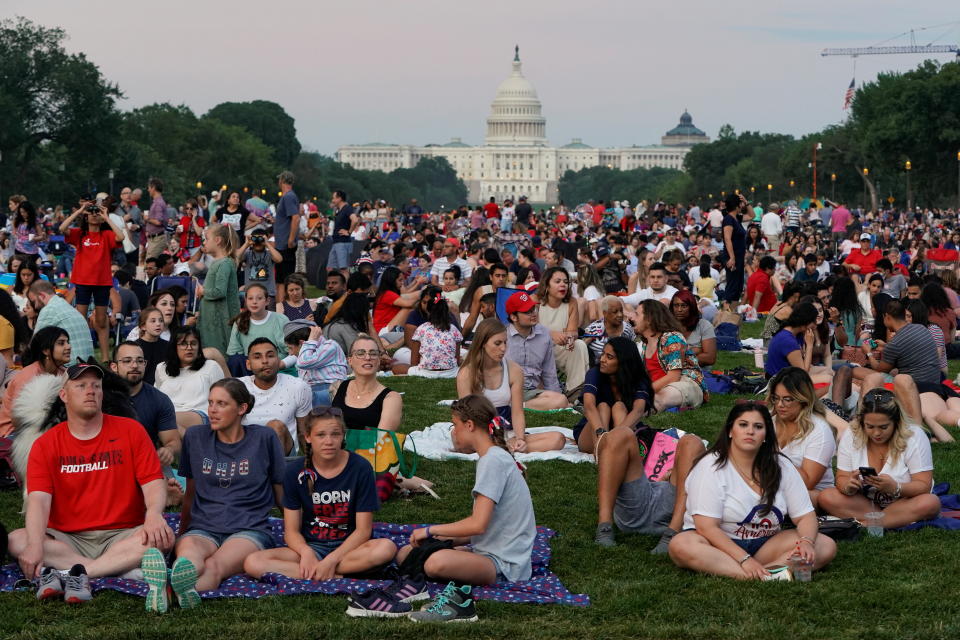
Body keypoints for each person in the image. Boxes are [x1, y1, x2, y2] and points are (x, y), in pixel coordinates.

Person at [8, 363, 174, 601]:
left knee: (163, 537)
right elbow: (39, 500)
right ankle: (117, 568)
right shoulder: (46, 444)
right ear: (63, 395)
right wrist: (35, 544)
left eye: (96, 386)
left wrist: (154, 514)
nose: (90, 391)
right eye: (81, 385)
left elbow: (153, 482)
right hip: (68, 537)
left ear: (102, 393)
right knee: (18, 540)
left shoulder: (131, 431)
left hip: (123, 533)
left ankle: (74, 574)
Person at [396, 395, 535, 623]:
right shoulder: (492, 457)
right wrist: (446, 539)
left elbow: (478, 524)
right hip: (488, 550)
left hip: (505, 564)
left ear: (469, 425)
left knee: (434, 563)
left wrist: (430, 531)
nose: (454, 433)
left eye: (455, 425)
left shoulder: (492, 461)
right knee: (406, 555)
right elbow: (490, 524)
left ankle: (457, 603)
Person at [241, 406, 397, 609]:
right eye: (321, 435)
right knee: (252, 562)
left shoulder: (360, 467)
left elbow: (363, 531)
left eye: (335, 434)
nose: (329, 441)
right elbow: (291, 531)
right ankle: (338, 576)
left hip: (350, 548)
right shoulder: (294, 471)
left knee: (386, 548)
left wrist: (331, 559)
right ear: (308, 437)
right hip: (312, 546)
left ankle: (322, 571)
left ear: (343, 436)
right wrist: (306, 553)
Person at [668, 402, 837, 580]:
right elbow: (706, 527)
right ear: (730, 431)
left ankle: (764, 572)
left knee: (824, 545)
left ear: (765, 435)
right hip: (718, 545)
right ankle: (758, 575)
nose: (750, 431)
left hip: (766, 544)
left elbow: (805, 516)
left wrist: (806, 542)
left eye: (758, 427)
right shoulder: (710, 466)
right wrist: (744, 559)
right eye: (743, 425)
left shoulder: (782, 465)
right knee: (681, 545)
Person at [158, 379, 285, 609]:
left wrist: (296, 531)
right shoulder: (196, 437)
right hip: (203, 526)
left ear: (241, 408)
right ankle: (174, 586)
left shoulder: (263, 438)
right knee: (189, 558)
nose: (212, 410)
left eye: (221, 404)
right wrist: (183, 531)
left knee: (215, 565)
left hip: (248, 529)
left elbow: (280, 490)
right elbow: (191, 491)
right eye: (210, 403)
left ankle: (169, 594)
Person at [593, 387, 706, 551]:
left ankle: (672, 534)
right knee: (620, 433)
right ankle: (604, 527)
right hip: (637, 506)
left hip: (673, 507)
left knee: (691, 441)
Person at [819, 388, 941, 529]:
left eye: (883, 427)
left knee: (930, 502)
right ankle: (887, 520)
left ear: (896, 422)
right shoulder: (851, 434)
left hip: (905, 502)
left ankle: (864, 525)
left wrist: (896, 487)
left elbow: (923, 485)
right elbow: (841, 478)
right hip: (866, 503)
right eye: (870, 426)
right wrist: (848, 487)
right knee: (826, 496)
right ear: (861, 422)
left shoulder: (914, 436)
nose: (876, 433)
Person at [457, 318, 566, 453]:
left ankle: (506, 447)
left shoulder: (514, 370)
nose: (503, 348)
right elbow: (467, 417)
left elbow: (517, 412)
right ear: (483, 343)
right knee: (462, 443)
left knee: (558, 439)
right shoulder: (466, 374)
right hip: (476, 430)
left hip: (506, 431)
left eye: (505, 342)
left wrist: (520, 438)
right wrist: (489, 438)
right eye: (497, 343)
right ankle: (502, 447)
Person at [859, 299, 956, 443]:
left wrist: (868, 353)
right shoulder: (921, 328)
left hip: (915, 386)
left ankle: (859, 417)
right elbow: (909, 351)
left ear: (887, 317)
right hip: (935, 381)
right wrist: (887, 346)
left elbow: (880, 369)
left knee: (863, 374)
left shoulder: (896, 343)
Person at [110, 341, 182, 505]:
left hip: (148, 461)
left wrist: (168, 450)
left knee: (164, 480)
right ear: (114, 366)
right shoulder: (102, 397)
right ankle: (157, 496)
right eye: (127, 361)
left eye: (139, 361)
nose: (134, 365)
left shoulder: (159, 399)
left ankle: (161, 494)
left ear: (146, 364)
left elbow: (174, 441)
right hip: (112, 461)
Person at [766, 367, 838, 508]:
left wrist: (772, 454)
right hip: (771, 484)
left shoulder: (819, 431)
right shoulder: (769, 421)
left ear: (803, 399)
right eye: (776, 398)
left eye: (787, 399)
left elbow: (808, 482)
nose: (780, 405)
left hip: (809, 493)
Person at [575, 336, 653, 454]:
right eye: (603, 354)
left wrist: (615, 437)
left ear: (623, 361)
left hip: (624, 427)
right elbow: (589, 406)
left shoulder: (638, 379)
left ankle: (616, 450)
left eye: (609, 357)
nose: (602, 359)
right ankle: (602, 452)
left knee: (619, 406)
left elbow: (638, 410)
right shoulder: (595, 373)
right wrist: (601, 434)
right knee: (603, 407)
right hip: (595, 431)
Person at [240, 338, 313, 455]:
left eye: (270, 356)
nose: (265, 361)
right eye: (257, 357)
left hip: (284, 456)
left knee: (275, 427)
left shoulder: (298, 386)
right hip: (247, 455)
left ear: (278, 360)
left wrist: (310, 465)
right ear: (248, 364)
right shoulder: (239, 388)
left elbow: (304, 432)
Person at [635, 299, 706, 412]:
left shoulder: (672, 338)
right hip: (660, 387)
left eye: (637, 314)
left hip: (686, 382)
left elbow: (673, 376)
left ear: (649, 319)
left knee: (657, 399)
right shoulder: (644, 344)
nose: (633, 318)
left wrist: (644, 391)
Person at [504, 291, 569, 410]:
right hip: (506, 390)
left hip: (531, 391)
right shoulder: (502, 336)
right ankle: (513, 405)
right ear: (513, 317)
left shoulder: (544, 334)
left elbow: (549, 372)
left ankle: (515, 406)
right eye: (527, 311)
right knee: (560, 401)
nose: (533, 313)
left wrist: (556, 394)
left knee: (561, 400)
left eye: (533, 309)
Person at [0, 327, 71, 437]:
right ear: (45, 350)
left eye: (68, 342)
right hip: (15, 432)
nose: (68, 347)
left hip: (48, 426)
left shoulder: (64, 373)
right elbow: (18, 419)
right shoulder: (28, 376)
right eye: (61, 343)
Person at [154, 326, 225, 435]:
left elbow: (223, 398)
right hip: (169, 418)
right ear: (174, 347)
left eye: (193, 343)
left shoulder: (211, 366)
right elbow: (157, 399)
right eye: (183, 344)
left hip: (200, 414)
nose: (189, 348)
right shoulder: (161, 368)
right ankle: (190, 445)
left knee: (162, 420)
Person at [330, 335, 403, 432]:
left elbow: (381, 441)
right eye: (360, 353)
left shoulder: (391, 398)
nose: (368, 357)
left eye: (373, 353)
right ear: (350, 361)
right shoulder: (339, 387)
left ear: (379, 361)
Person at [537, 266, 589, 395]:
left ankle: (575, 391)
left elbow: (573, 331)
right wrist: (550, 334)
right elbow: (529, 330)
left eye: (566, 282)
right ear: (547, 285)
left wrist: (571, 338)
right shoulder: (535, 301)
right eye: (557, 281)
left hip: (560, 348)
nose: (563, 285)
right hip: (537, 349)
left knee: (579, 345)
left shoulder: (571, 302)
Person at [394, 289, 463, 378]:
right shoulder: (453, 329)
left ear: (429, 311)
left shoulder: (422, 329)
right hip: (451, 373)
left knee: (396, 368)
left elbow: (414, 363)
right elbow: (456, 360)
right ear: (446, 311)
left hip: (426, 372)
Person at [197, 223, 240, 356]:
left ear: (218, 240)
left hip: (219, 320)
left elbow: (219, 291)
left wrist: (203, 291)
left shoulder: (225, 263)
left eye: (207, 239)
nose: (204, 242)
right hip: (211, 316)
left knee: (218, 352)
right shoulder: (219, 262)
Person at [227, 284, 289, 373]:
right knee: (235, 360)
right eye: (250, 298)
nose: (254, 302)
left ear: (267, 301)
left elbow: (291, 350)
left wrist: (281, 363)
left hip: (276, 366)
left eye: (259, 298)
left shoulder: (280, 320)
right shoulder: (239, 321)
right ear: (246, 301)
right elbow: (234, 352)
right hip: (250, 368)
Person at [29, 280, 93, 364]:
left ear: (42, 296)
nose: (35, 306)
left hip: (72, 369)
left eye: (34, 302)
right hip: (89, 365)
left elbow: (34, 345)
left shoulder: (49, 309)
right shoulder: (65, 306)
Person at [287, 320, 347, 408]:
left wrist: (311, 340)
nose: (290, 353)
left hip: (331, 393)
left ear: (301, 343)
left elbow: (303, 362)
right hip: (312, 395)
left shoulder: (330, 346)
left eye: (290, 348)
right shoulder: (305, 353)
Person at [273, 171, 300, 303]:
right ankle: (280, 309)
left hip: (285, 245)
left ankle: (283, 310)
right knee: (280, 281)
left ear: (282, 181)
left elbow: (295, 218)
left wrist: (291, 239)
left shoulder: (288, 197)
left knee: (284, 282)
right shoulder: (288, 197)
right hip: (281, 244)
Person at [670, 290, 716, 368]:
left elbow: (710, 358)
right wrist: (697, 350)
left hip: (699, 374)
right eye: (676, 305)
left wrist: (679, 357)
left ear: (691, 307)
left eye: (684, 306)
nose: (679, 310)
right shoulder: (667, 326)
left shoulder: (704, 325)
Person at [583, 295, 636, 362]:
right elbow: (581, 350)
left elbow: (635, 350)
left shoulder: (627, 328)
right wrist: (586, 341)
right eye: (615, 312)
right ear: (605, 313)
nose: (620, 315)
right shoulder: (593, 329)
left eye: (621, 311)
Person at [236, 230, 282, 304]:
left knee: (270, 314)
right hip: (251, 295)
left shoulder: (269, 254)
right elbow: (236, 257)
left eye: (261, 239)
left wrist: (267, 244)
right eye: (255, 239)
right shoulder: (248, 254)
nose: (258, 242)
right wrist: (246, 244)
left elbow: (279, 259)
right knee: (250, 315)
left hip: (268, 294)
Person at [720, 194, 748, 311]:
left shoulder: (737, 218)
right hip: (733, 256)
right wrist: (732, 258)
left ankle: (733, 312)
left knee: (738, 285)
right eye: (740, 204)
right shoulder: (728, 219)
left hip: (739, 256)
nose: (742, 206)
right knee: (732, 284)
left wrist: (746, 202)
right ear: (736, 206)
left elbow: (752, 215)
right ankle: (726, 313)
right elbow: (727, 238)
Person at [133, 307, 168, 386]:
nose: (158, 324)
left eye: (161, 320)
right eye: (153, 321)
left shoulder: (168, 346)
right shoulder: (135, 347)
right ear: (143, 326)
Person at [328, 190, 358, 276]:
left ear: (339, 198)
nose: (332, 200)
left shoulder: (347, 208)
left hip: (343, 242)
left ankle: (346, 288)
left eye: (333, 198)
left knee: (344, 269)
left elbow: (355, 219)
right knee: (330, 268)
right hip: (336, 242)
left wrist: (349, 232)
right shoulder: (339, 210)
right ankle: (335, 286)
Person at [144, 178, 169, 260]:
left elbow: (158, 222)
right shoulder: (158, 202)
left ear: (153, 188)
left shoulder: (158, 203)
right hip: (155, 239)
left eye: (149, 188)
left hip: (157, 239)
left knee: (150, 264)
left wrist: (147, 219)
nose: (148, 190)